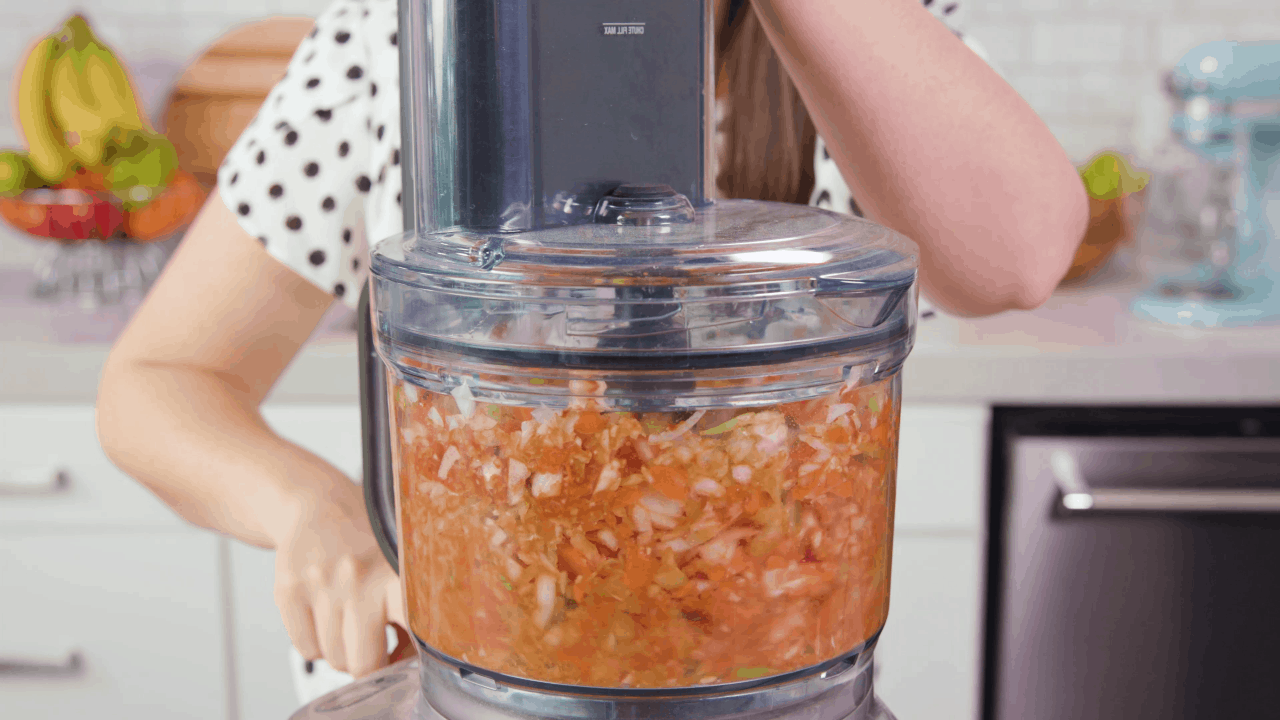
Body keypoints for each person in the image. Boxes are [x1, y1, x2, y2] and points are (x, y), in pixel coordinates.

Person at [96, 0, 1088, 700]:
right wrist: (308, 509)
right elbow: (160, 383)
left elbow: (1018, 257)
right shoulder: (396, 44)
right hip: (430, 677)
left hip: (756, 681)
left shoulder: (868, 46)